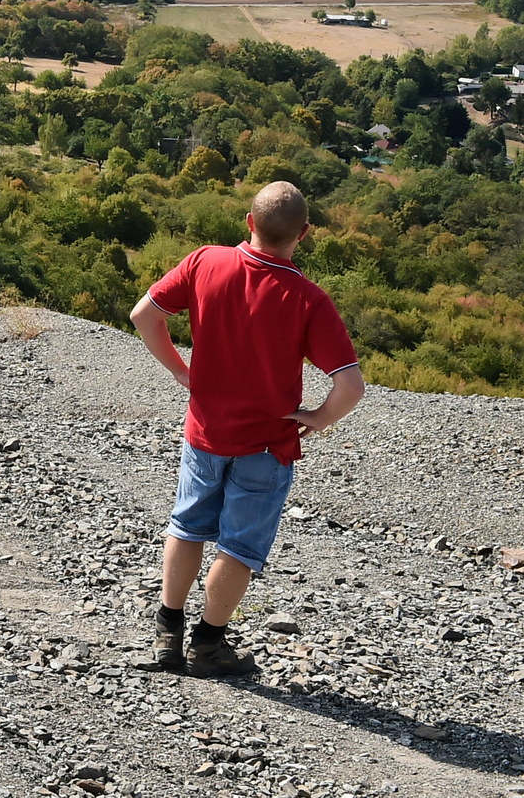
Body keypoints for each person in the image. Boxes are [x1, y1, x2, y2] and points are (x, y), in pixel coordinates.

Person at [129, 180, 364, 679]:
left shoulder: (204, 262)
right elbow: (351, 386)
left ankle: (166, 636)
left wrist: (179, 370)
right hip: (266, 444)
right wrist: (319, 419)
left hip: (204, 431)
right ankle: (208, 647)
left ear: (250, 222)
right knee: (239, 546)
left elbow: (144, 316)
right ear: (303, 233)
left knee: (187, 525)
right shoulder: (308, 299)